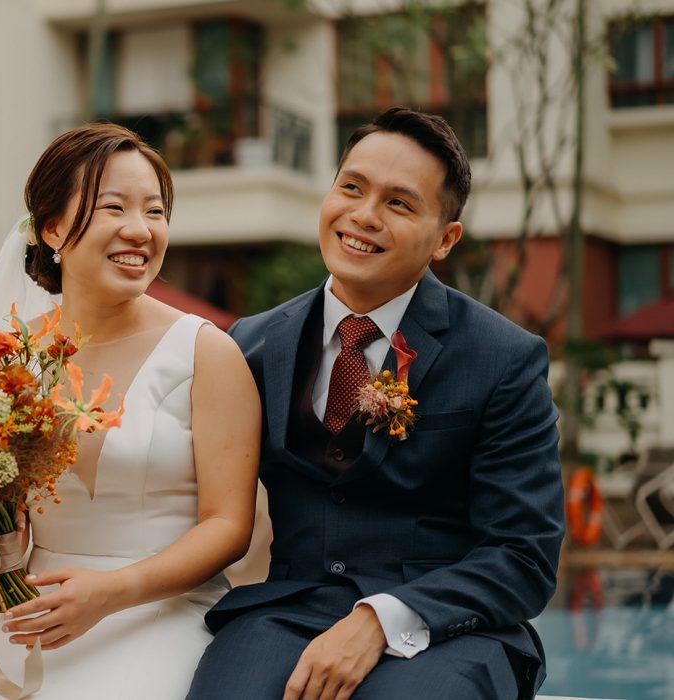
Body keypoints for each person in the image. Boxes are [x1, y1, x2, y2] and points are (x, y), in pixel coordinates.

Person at [187, 107, 566, 699]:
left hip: (449, 631)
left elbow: (524, 556)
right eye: (351, 187)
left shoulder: (504, 358)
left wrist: (380, 619)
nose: (363, 215)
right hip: (285, 613)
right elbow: (190, 486)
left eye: (399, 203)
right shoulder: (249, 345)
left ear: (445, 239)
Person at [0, 123, 261, 699]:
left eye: (155, 211)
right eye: (114, 207)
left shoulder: (207, 352)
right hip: (35, 614)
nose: (140, 229)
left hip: (163, 611)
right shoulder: (7, 358)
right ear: (53, 228)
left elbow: (229, 526)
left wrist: (111, 592)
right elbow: (8, 506)